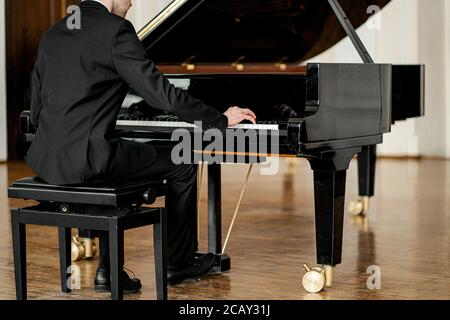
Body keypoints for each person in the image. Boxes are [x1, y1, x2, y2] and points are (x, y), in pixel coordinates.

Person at [27, 0, 256, 294]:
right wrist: (219, 119)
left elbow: (35, 109)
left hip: (46, 161)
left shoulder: (55, 31)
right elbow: (163, 96)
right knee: (182, 159)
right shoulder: (116, 30)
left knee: (132, 153)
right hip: (88, 160)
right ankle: (177, 263)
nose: (131, 2)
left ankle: (108, 271)